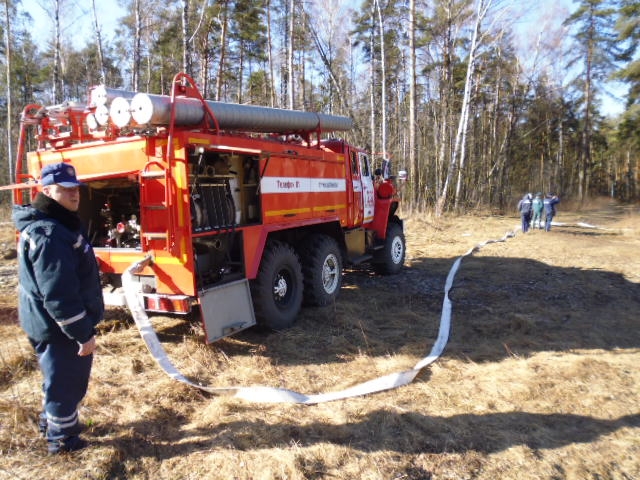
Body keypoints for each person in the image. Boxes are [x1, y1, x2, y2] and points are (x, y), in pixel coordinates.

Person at [12, 162, 104, 454]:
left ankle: (51, 424)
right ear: (47, 190)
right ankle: (63, 442)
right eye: (65, 189)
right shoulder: (50, 234)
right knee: (67, 384)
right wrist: (82, 334)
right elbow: (59, 295)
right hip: (59, 329)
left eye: (75, 188)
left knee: (57, 380)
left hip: (48, 324)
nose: (74, 194)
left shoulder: (55, 226)